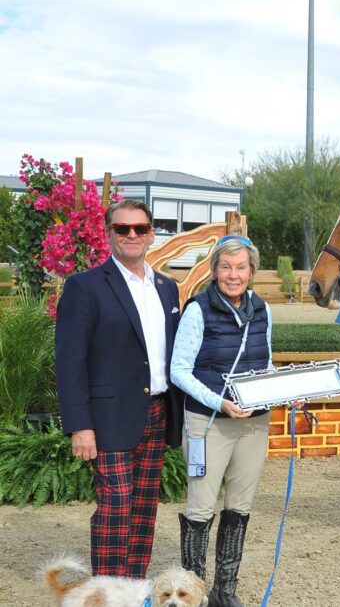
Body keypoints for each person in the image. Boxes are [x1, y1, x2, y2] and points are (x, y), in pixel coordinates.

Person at [55, 200, 184, 578]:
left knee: (144, 509)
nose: (132, 235)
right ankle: (110, 595)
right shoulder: (85, 286)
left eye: (140, 228)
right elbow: (69, 361)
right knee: (114, 508)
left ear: (151, 234)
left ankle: (133, 589)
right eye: (122, 229)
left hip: (159, 413)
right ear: (108, 233)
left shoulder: (167, 288)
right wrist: (80, 425)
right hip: (109, 417)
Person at [171, 235, 275, 607]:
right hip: (208, 423)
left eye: (241, 267)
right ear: (214, 270)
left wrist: (281, 388)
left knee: (239, 507)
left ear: (252, 270)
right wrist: (221, 403)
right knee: (200, 508)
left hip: (253, 424)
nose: (234, 274)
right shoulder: (198, 309)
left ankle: (224, 592)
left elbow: (266, 365)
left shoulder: (263, 309)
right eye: (226, 267)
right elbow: (179, 371)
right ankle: (192, 595)